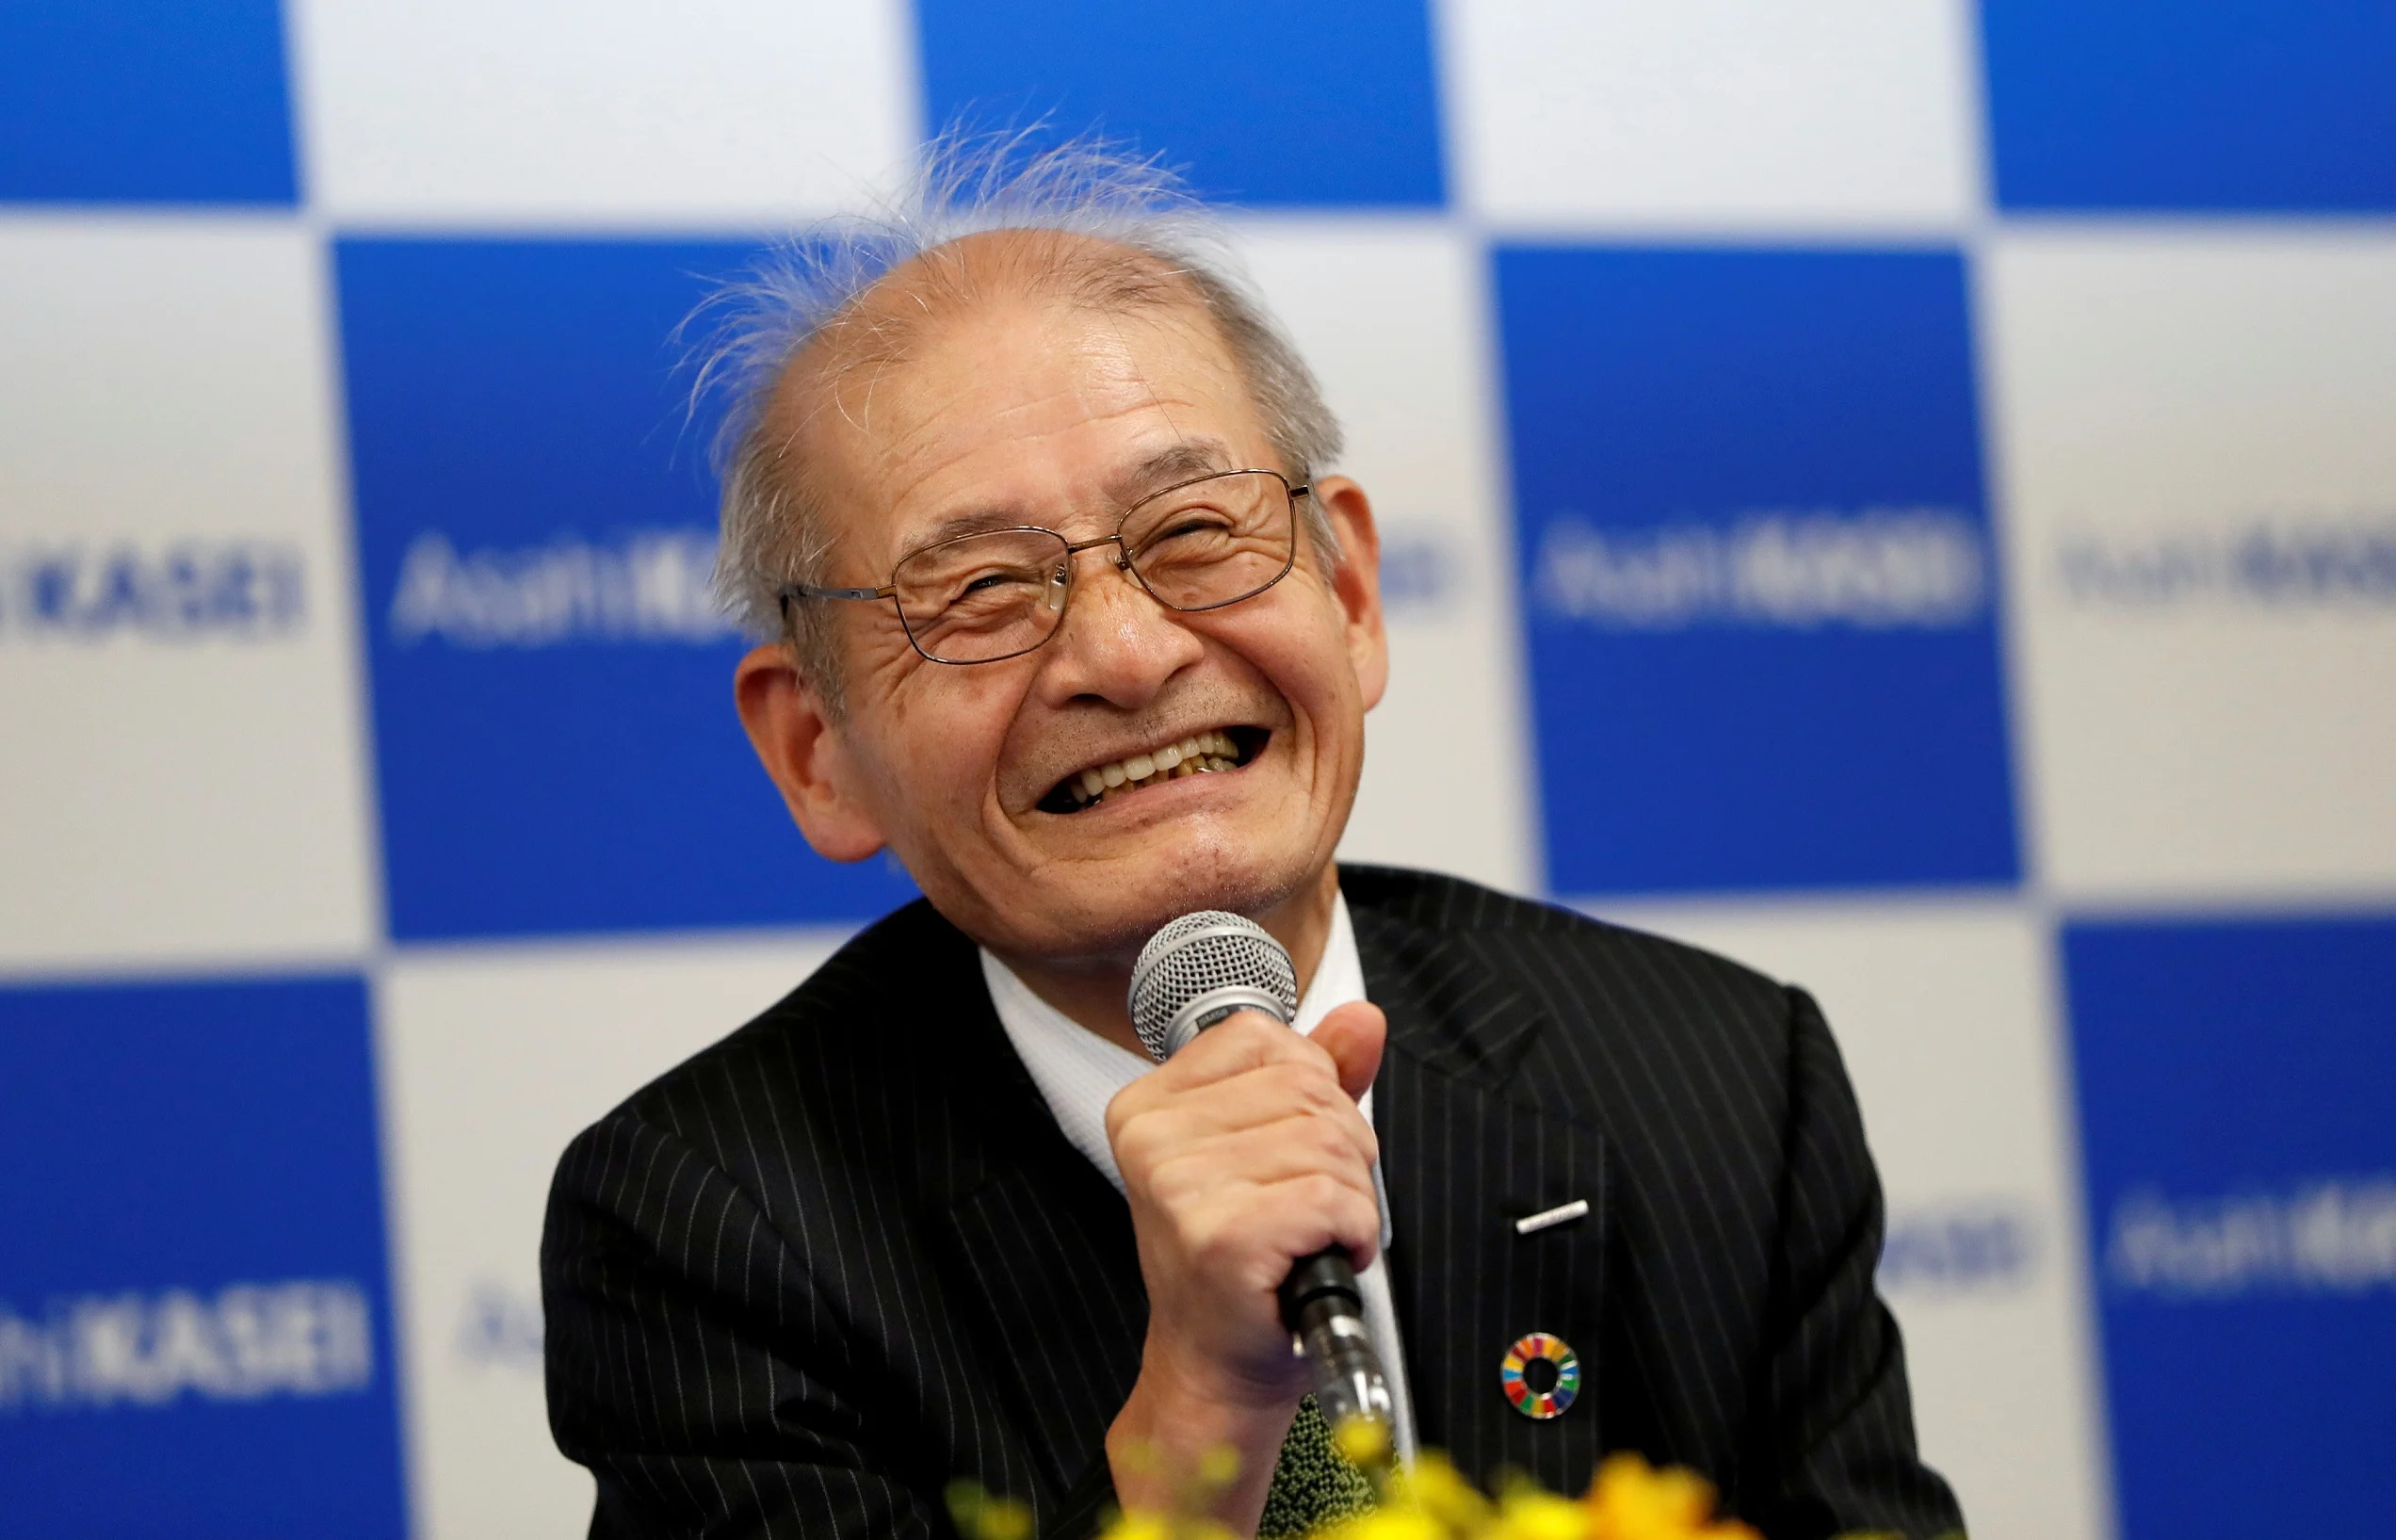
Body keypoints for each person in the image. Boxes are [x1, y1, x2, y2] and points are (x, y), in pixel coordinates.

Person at [541, 140, 1963, 1540]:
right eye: (978, 590)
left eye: (1195, 530)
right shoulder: (709, 1230)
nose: (1125, 649)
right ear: (816, 749)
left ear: (1347, 594)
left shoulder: (1714, 1079)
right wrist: (1207, 1427)